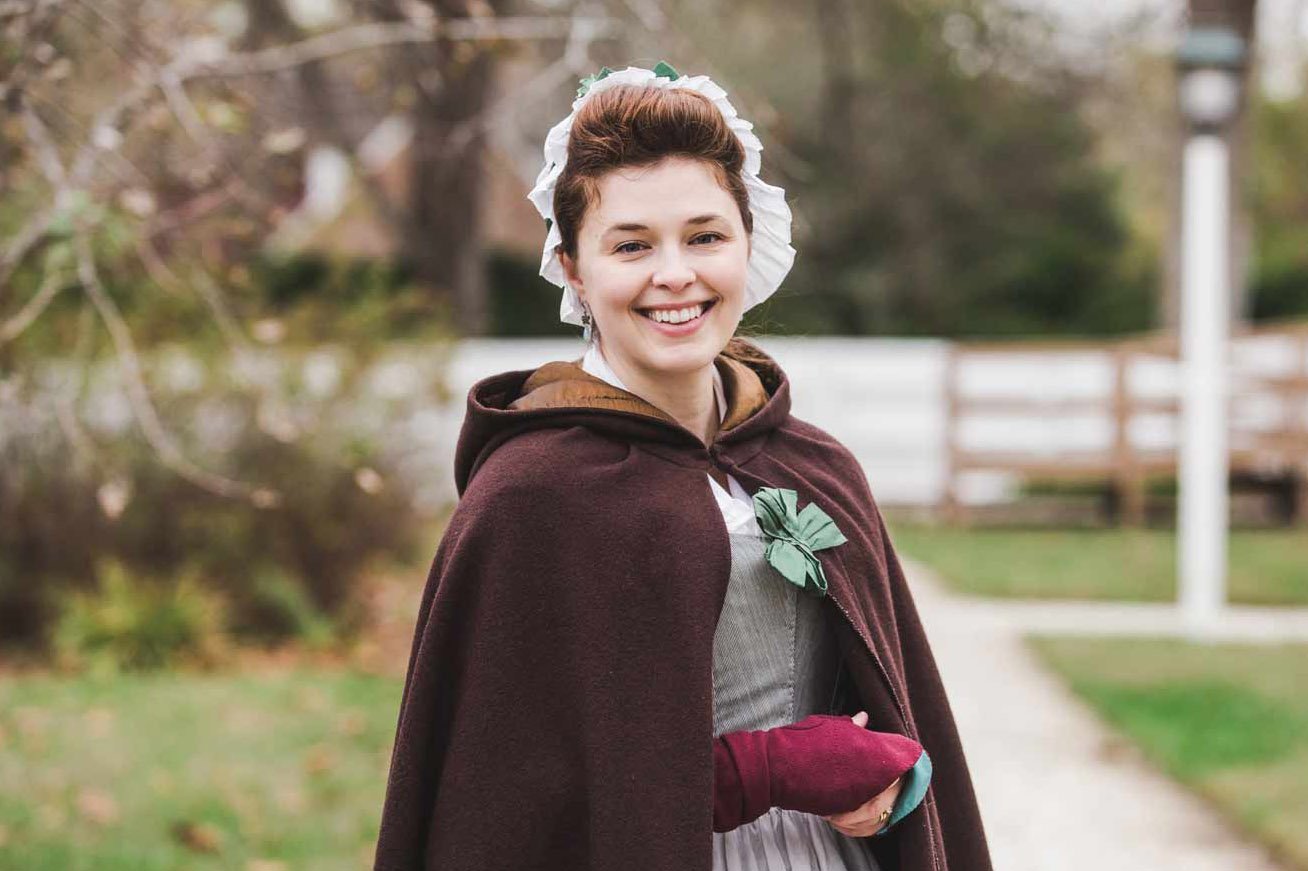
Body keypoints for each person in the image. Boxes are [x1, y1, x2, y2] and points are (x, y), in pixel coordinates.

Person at [372, 64, 992, 871]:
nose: (676, 275)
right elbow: (512, 800)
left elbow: (891, 709)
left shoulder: (814, 463)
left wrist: (884, 784)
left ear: (747, 240)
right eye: (632, 245)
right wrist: (769, 768)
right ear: (573, 268)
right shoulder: (529, 499)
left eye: (705, 236)